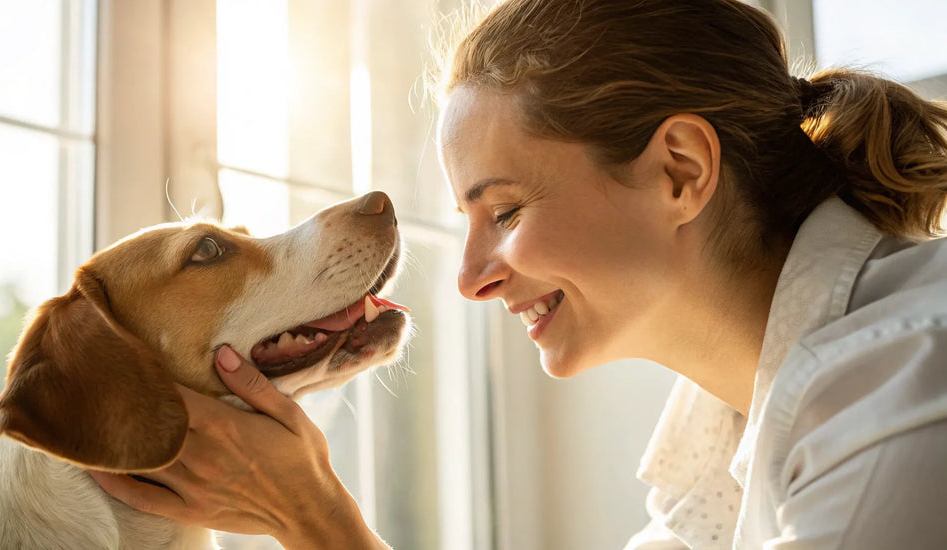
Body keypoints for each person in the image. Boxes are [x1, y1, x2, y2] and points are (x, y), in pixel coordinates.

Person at [89, 0, 947, 547]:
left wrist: (317, 524)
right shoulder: (712, 463)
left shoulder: (901, 388)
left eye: (503, 212)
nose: (468, 280)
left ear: (680, 171)